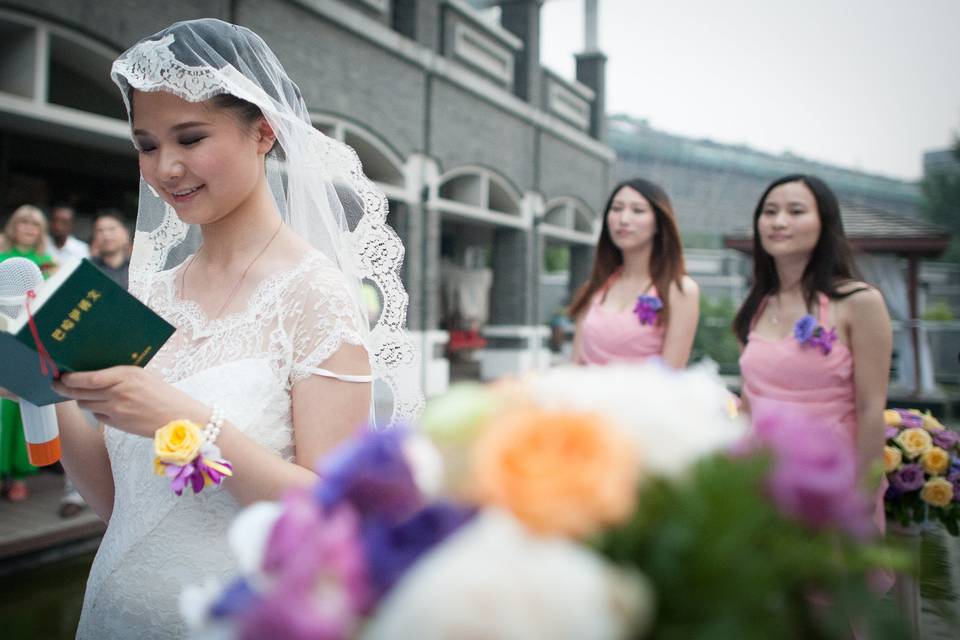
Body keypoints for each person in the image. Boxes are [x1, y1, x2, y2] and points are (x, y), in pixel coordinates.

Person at [0, 19, 417, 638]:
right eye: (146, 145)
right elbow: (123, 502)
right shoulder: (152, 293)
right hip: (116, 608)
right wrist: (42, 381)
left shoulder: (315, 294)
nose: (166, 167)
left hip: (238, 616)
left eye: (190, 138)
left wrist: (189, 423)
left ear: (263, 132)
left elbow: (334, 517)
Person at [734, 174, 892, 541]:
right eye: (769, 212)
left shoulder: (859, 302)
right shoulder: (757, 305)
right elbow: (748, 401)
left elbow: (871, 407)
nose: (779, 221)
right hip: (757, 481)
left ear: (824, 223)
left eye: (796, 211)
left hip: (827, 483)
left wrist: (864, 492)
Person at [570, 178, 699, 368]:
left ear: (658, 223)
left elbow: (671, 375)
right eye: (616, 209)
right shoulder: (594, 288)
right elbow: (575, 366)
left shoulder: (680, 290)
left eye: (637, 210)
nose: (623, 220)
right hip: (585, 397)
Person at [0, 204, 55, 502]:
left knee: (25, 415)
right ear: (14, 225)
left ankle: (19, 477)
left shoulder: (47, 265)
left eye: (35, 224)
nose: (28, 228)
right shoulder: (1, 257)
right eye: (23, 222)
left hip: (32, 348)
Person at [89, 209, 132, 289]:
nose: (106, 235)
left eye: (112, 229)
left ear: (125, 233)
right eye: (100, 230)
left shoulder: (138, 270)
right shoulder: (87, 270)